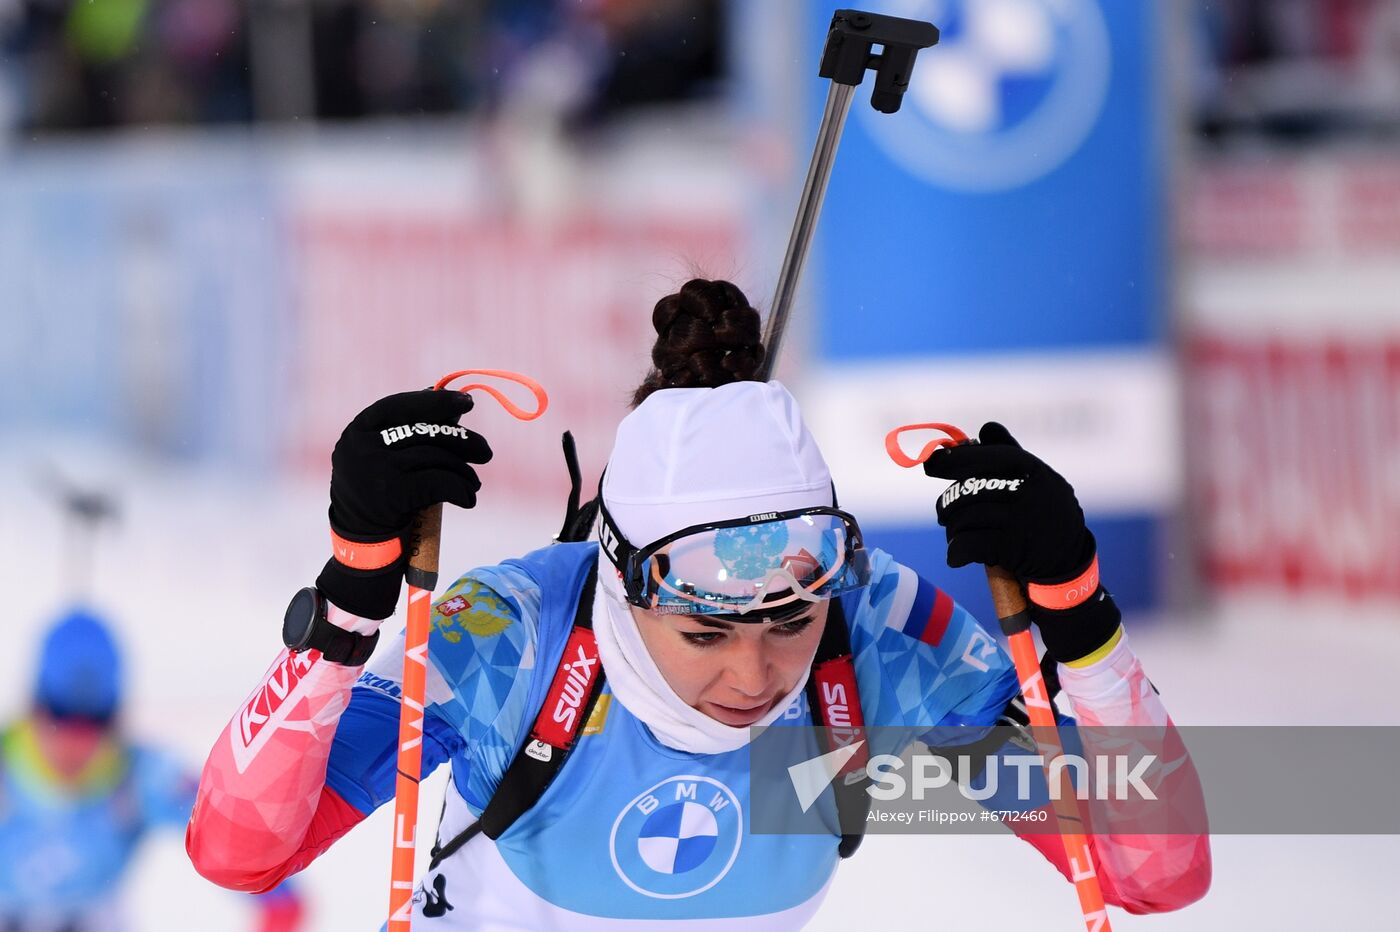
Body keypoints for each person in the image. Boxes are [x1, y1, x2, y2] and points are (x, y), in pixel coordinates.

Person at [186, 278, 1211, 927]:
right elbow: (238, 851)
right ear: (621, 578)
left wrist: (1079, 617)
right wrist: (351, 600)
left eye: (789, 622)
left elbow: (1151, 873)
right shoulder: (514, 638)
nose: (754, 674)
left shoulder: (871, 634)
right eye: (704, 629)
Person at [1, 607, 304, 931]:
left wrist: (275, 902)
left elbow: (268, 878)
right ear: (34, 706)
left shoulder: (140, 776)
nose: (76, 744)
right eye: (61, 717)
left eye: (96, 722)